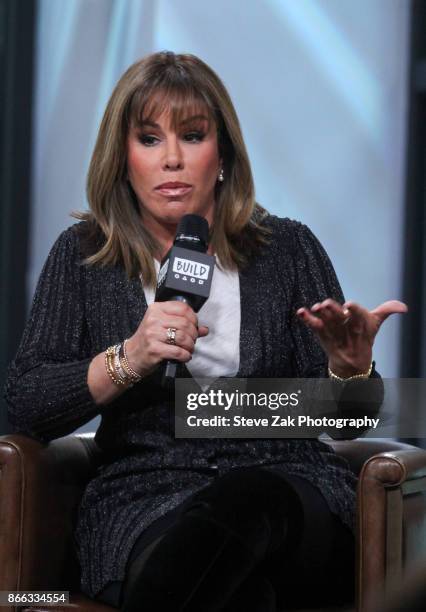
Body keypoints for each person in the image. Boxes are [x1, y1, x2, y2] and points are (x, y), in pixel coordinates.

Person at [4, 51, 407, 612]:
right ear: (121, 158)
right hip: (147, 500)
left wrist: (349, 366)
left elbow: (347, 422)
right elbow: (25, 405)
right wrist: (129, 357)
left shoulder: (288, 249)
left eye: (191, 136)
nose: (172, 159)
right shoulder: (84, 258)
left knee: (248, 499)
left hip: (288, 492)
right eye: (149, 139)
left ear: (222, 154)